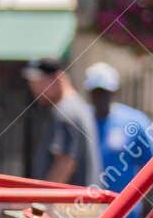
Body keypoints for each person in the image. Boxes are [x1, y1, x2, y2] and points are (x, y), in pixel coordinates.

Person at [82, 62, 153, 218]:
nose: (100, 98)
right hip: (83, 212)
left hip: (124, 215)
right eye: (96, 93)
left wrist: (149, 209)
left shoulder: (134, 122)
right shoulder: (81, 120)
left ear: (114, 92)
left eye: (105, 92)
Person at [21, 58, 100, 187]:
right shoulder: (78, 106)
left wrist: (43, 198)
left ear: (58, 78)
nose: (35, 89)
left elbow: (65, 163)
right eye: (32, 83)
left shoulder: (65, 111)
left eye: (40, 82)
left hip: (68, 204)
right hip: (81, 202)